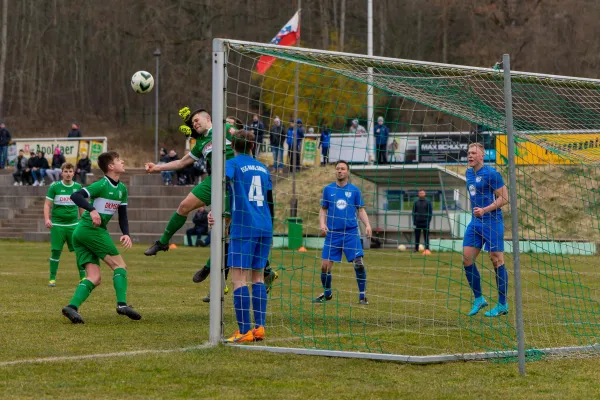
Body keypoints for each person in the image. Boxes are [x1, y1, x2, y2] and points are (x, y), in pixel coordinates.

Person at [61, 151, 140, 324]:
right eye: (119, 160)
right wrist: (92, 210)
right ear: (111, 166)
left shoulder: (122, 190)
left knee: (94, 277)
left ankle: (72, 307)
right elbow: (75, 195)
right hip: (91, 229)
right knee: (120, 266)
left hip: (82, 232)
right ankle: (121, 305)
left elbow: (123, 215)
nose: (123, 161)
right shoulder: (102, 184)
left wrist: (126, 233)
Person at [224, 130, 274, 343]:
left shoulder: (232, 164)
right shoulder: (263, 168)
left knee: (238, 279)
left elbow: (221, 185)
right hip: (265, 224)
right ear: (253, 147)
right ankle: (259, 327)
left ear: (233, 146)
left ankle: (244, 330)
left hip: (244, 225)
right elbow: (270, 199)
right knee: (258, 277)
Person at [315, 160, 372, 305]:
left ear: (348, 172)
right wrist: (322, 224)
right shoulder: (328, 189)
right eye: (338, 169)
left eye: (343, 169)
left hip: (351, 233)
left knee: (358, 264)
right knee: (324, 266)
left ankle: (362, 296)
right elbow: (323, 209)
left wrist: (367, 225)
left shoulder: (354, 190)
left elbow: (361, 210)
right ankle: (327, 293)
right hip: (333, 234)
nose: (340, 171)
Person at [462, 143, 509, 318]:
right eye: (468, 153)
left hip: (492, 220)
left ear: (482, 156)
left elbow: (504, 198)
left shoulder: (491, 174)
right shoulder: (468, 174)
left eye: (474, 153)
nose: (470, 155)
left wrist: (485, 210)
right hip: (475, 222)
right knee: (467, 258)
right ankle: (479, 298)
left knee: (496, 259)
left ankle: (502, 304)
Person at [44, 162, 84, 286]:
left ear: (73, 173)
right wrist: (47, 219)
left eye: (70, 171)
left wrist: (82, 221)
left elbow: (81, 205)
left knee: (79, 251)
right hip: (58, 225)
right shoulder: (54, 187)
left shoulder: (78, 187)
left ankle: (83, 277)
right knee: (56, 251)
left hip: (73, 225)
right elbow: (47, 204)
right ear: (62, 173)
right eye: (66, 171)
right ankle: (52, 278)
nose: (68, 174)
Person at [412, 190, 432, 255]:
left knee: (426, 236)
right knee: (417, 236)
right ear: (418, 194)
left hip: (425, 222)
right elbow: (413, 213)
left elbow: (430, 213)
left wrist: (428, 221)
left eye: (422, 193)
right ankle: (416, 249)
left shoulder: (428, 202)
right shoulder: (416, 202)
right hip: (417, 222)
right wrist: (414, 221)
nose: (421, 194)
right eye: (420, 193)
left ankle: (427, 248)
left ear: (425, 194)